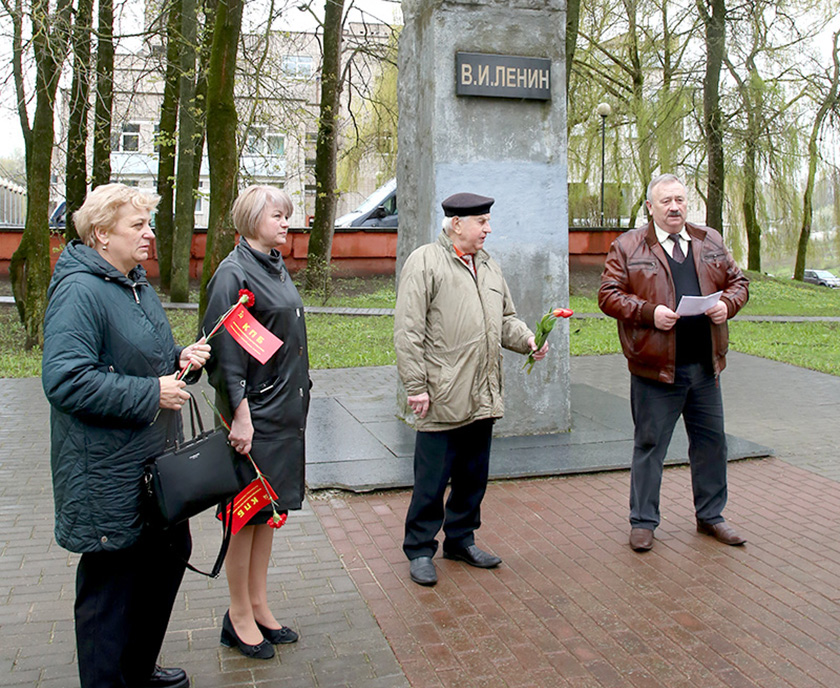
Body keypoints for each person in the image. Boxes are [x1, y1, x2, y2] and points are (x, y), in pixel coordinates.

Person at [42, 183, 211, 688]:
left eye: (149, 224)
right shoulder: (79, 290)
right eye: (137, 225)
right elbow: (65, 379)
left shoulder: (131, 282)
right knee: (109, 595)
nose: (149, 235)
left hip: (151, 469)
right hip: (106, 475)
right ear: (100, 234)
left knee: (165, 562)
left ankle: (137, 668)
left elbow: (141, 358)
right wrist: (149, 394)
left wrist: (181, 359)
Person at [394, 192, 548, 586]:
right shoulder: (425, 262)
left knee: (473, 476)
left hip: (483, 393)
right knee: (431, 479)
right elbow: (408, 331)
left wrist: (529, 340)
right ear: (456, 223)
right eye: (482, 221)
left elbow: (506, 319)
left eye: (488, 221)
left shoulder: (490, 266)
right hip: (442, 394)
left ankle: (461, 539)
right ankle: (420, 549)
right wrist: (416, 386)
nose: (488, 229)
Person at [598, 173, 750, 552]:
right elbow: (607, 295)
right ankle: (643, 522)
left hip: (705, 366)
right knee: (650, 445)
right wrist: (650, 313)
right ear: (650, 207)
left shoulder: (709, 239)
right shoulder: (628, 246)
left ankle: (711, 516)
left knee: (712, 444)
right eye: (666, 201)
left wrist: (726, 305)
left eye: (680, 200)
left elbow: (739, 282)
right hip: (656, 368)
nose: (674, 207)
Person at [202, 186, 309, 659]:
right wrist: (240, 414)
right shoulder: (234, 273)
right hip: (254, 419)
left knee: (268, 513)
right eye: (277, 215)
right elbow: (225, 353)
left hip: (283, 413)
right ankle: (237, 615)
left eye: (287, 215)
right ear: (251, 219)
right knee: (244, 517)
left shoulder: (272, 265)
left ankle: (260, 605)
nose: (287, 222)